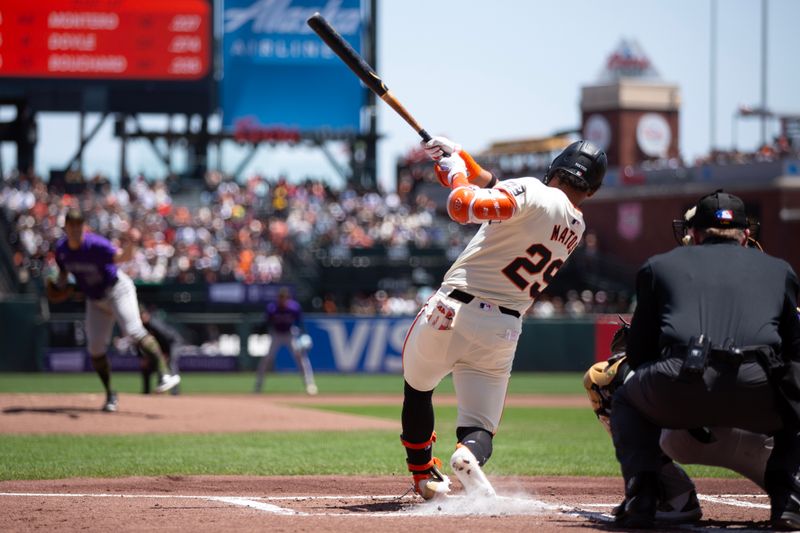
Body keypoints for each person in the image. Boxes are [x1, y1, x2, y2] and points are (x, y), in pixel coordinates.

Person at [400, 136, 607, 499]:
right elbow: (494, 186)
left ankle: (423, 475)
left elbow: (462, 206)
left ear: (556, 168)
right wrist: (458, 155)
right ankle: (466, 455)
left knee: (418, 388)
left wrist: (456, 176)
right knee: (479, 427)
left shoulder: (533, 190)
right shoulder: (576, 227)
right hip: (504, 327)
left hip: (454, 307)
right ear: (591, 189)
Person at [609, 190, 800, 529]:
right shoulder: (780, 270)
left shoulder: (659, 265)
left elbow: (638, 356)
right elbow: (794, 352)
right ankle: (789, 501)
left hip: (680, 382)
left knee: (624, 397)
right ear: (746, 236)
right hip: (759, 392)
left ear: (694, 234)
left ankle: (644, 494)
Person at [584, 321, 773, 525]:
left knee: (605, 376)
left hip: (708, 428)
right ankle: (790, 498)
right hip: (780, 436)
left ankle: (668, 494)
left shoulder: (698, 308)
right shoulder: (772, 308)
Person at [49, 209, 180, 412]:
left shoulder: (95, 244)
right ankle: (110, 394)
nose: (75, 228)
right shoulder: (62, 250)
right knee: (95, 350)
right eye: (71, 224)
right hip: (96, 300)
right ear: (65, 227)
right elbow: (63, 274)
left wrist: (132, 243)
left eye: (78, 224)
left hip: (118, 290)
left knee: (134, 331)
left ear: (83, 226)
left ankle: (164, 373)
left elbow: (122, 257)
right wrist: (60, 286)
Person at [253, 288, 318, 395]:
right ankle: (258, 385)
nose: (282, 300)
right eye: (280, 298)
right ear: (278, 298)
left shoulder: (294, 308)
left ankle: (310, 384)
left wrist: (303, 334)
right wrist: (261, 332)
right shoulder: (272, 308)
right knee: (267, 359)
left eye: (284, 298)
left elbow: (300, 322)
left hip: (290, 334)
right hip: (276, 334)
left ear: (288, 298)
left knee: (301, 358)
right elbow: (266, 322)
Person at [139, 305, 184, 395]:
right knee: (148, 366)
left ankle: (175, 392)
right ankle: (147, 392)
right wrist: (143, 357)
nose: (141, 318)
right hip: (160, 347)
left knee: (171, 362)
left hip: (173, 343)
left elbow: (166, 338)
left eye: (142, 315)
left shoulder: (154, 324)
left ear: (147, 314)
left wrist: (165, 353)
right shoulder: (142, 327)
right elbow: (140, 343)